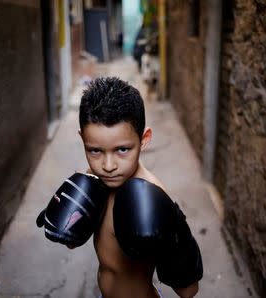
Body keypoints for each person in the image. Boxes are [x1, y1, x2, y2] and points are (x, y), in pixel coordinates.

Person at [37, 77, 202, 298]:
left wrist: (176, 235)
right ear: (82, 138)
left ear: (144, 139)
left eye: (122, 150)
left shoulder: (152, 197)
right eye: (95, 150)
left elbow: (188, 291)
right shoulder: (92, 179)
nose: (108, 166)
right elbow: (73, 243)